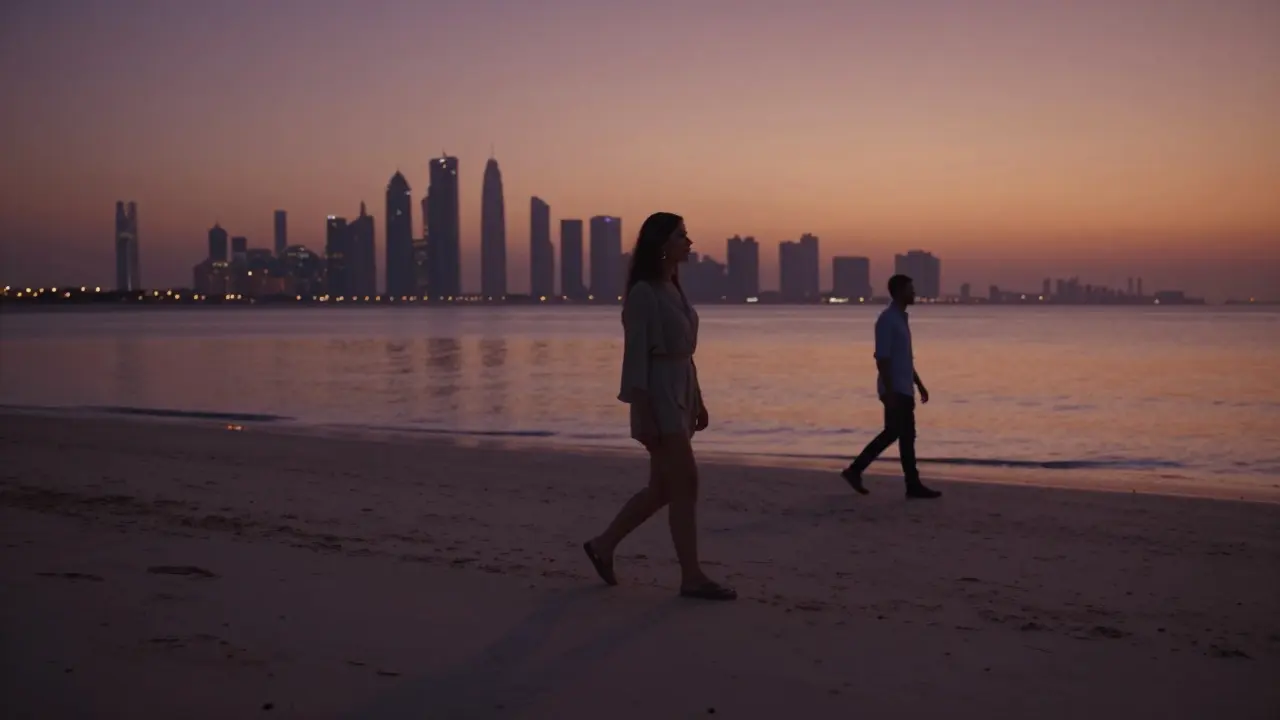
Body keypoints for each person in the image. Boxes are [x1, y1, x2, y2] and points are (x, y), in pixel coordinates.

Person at [582, 212, 736, 601]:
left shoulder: (674, 289)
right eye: (682, 235)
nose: (689, 242)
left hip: (681, 390)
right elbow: (636, 358)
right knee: (686, 482)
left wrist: (698, 399)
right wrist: (644, 411)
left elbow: (686, 353)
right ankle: (692, 576)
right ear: (662, 243)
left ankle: (603, 545)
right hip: (658, 395)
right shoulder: (644, 294)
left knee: (662, 488)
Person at [841, 274, 943, 499]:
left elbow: (904, 359)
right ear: (899, 292)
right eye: (910, 289)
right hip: (894, 388)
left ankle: (909, 483)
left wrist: (919, 384)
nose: (914, 293)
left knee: (903, 435)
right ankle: (858, 471)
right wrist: (889, 391)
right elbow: (883, 358)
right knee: (897, 433)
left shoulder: (900, 320)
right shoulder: (887, 320)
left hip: (904, 387)